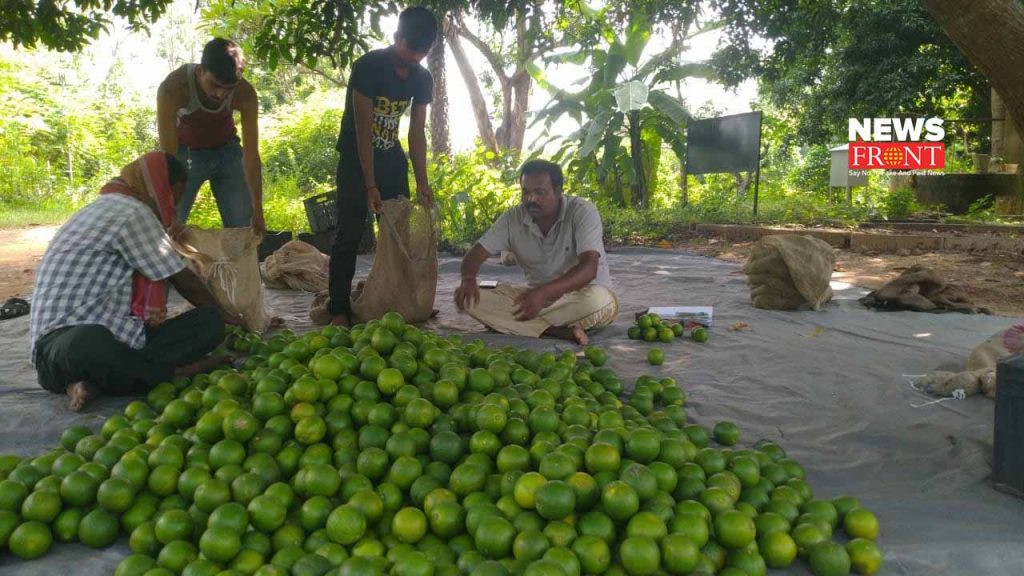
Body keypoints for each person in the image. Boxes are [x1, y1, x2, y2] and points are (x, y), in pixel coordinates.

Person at [30, 152, 238, 411]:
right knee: (90, 342)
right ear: (158, 187)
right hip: (64, 347)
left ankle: (97, 382)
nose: (172, 207)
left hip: (119, 336)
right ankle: (174, 373)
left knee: (206, 323)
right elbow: (184, 281)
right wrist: (230, 316)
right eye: (173, 197)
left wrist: (216, 316)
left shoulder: (106, 206)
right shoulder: (130, 212)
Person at [327, 6, 437, 326]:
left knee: (398, 234)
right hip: (355, 160)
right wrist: (370, 185)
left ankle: (402, 300)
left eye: (421, 51)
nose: (414, 56)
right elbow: (363, 131)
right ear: (396, 37)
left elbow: (417, 132)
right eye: (409, 47)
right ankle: (339, 308)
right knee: (348, 233)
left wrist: (422, 182)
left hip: (391, 159)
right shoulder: (369, 67)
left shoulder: (422, 78)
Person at [454, 159, 619, 345]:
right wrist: (468, 280)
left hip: (582, 297)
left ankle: (520, 324)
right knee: (473, 299)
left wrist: (543, 293)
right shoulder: (513, 218)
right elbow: (474, 256)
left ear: (558, 192)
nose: (531, 199)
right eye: (526, 192)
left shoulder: (581, 211)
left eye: (540, 192)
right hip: (536, 299)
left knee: (598, 301)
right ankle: (556, 331)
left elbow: (589, 269)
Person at [157, 38, 264, 232]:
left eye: (229, 88)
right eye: (214, 85)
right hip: (186, 155)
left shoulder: (245, 93)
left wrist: (258, 211)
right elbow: (168, 158)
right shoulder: (173, 88)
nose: (221, 94)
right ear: (200, 71)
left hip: (228, 152)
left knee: (243, 226)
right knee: (169, 224)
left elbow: (251, 156)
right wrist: (168, 209)